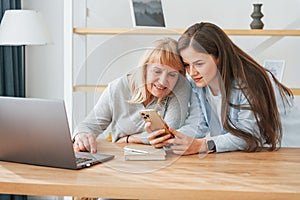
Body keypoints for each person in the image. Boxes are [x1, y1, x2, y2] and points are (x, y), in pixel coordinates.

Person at [162, 22, 300, 155]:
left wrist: (202, 145)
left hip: (289, 151)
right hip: (255, 154)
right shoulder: (200, 85)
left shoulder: (251, 81)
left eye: (199, 64)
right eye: (187, 65)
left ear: (219, 58)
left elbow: (248, 136)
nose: (192, 72)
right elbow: (199, 125)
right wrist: (169, 138)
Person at [72, 37, 199, 153]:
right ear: (145, 69)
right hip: (121, 158)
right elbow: (88, 126)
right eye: (157, 71)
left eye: (172, 74)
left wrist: (130, 139)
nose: (162, 81)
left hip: (163, 161)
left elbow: (168, 137)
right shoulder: (117, 88)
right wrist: (81, 135)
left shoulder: (180, 87)